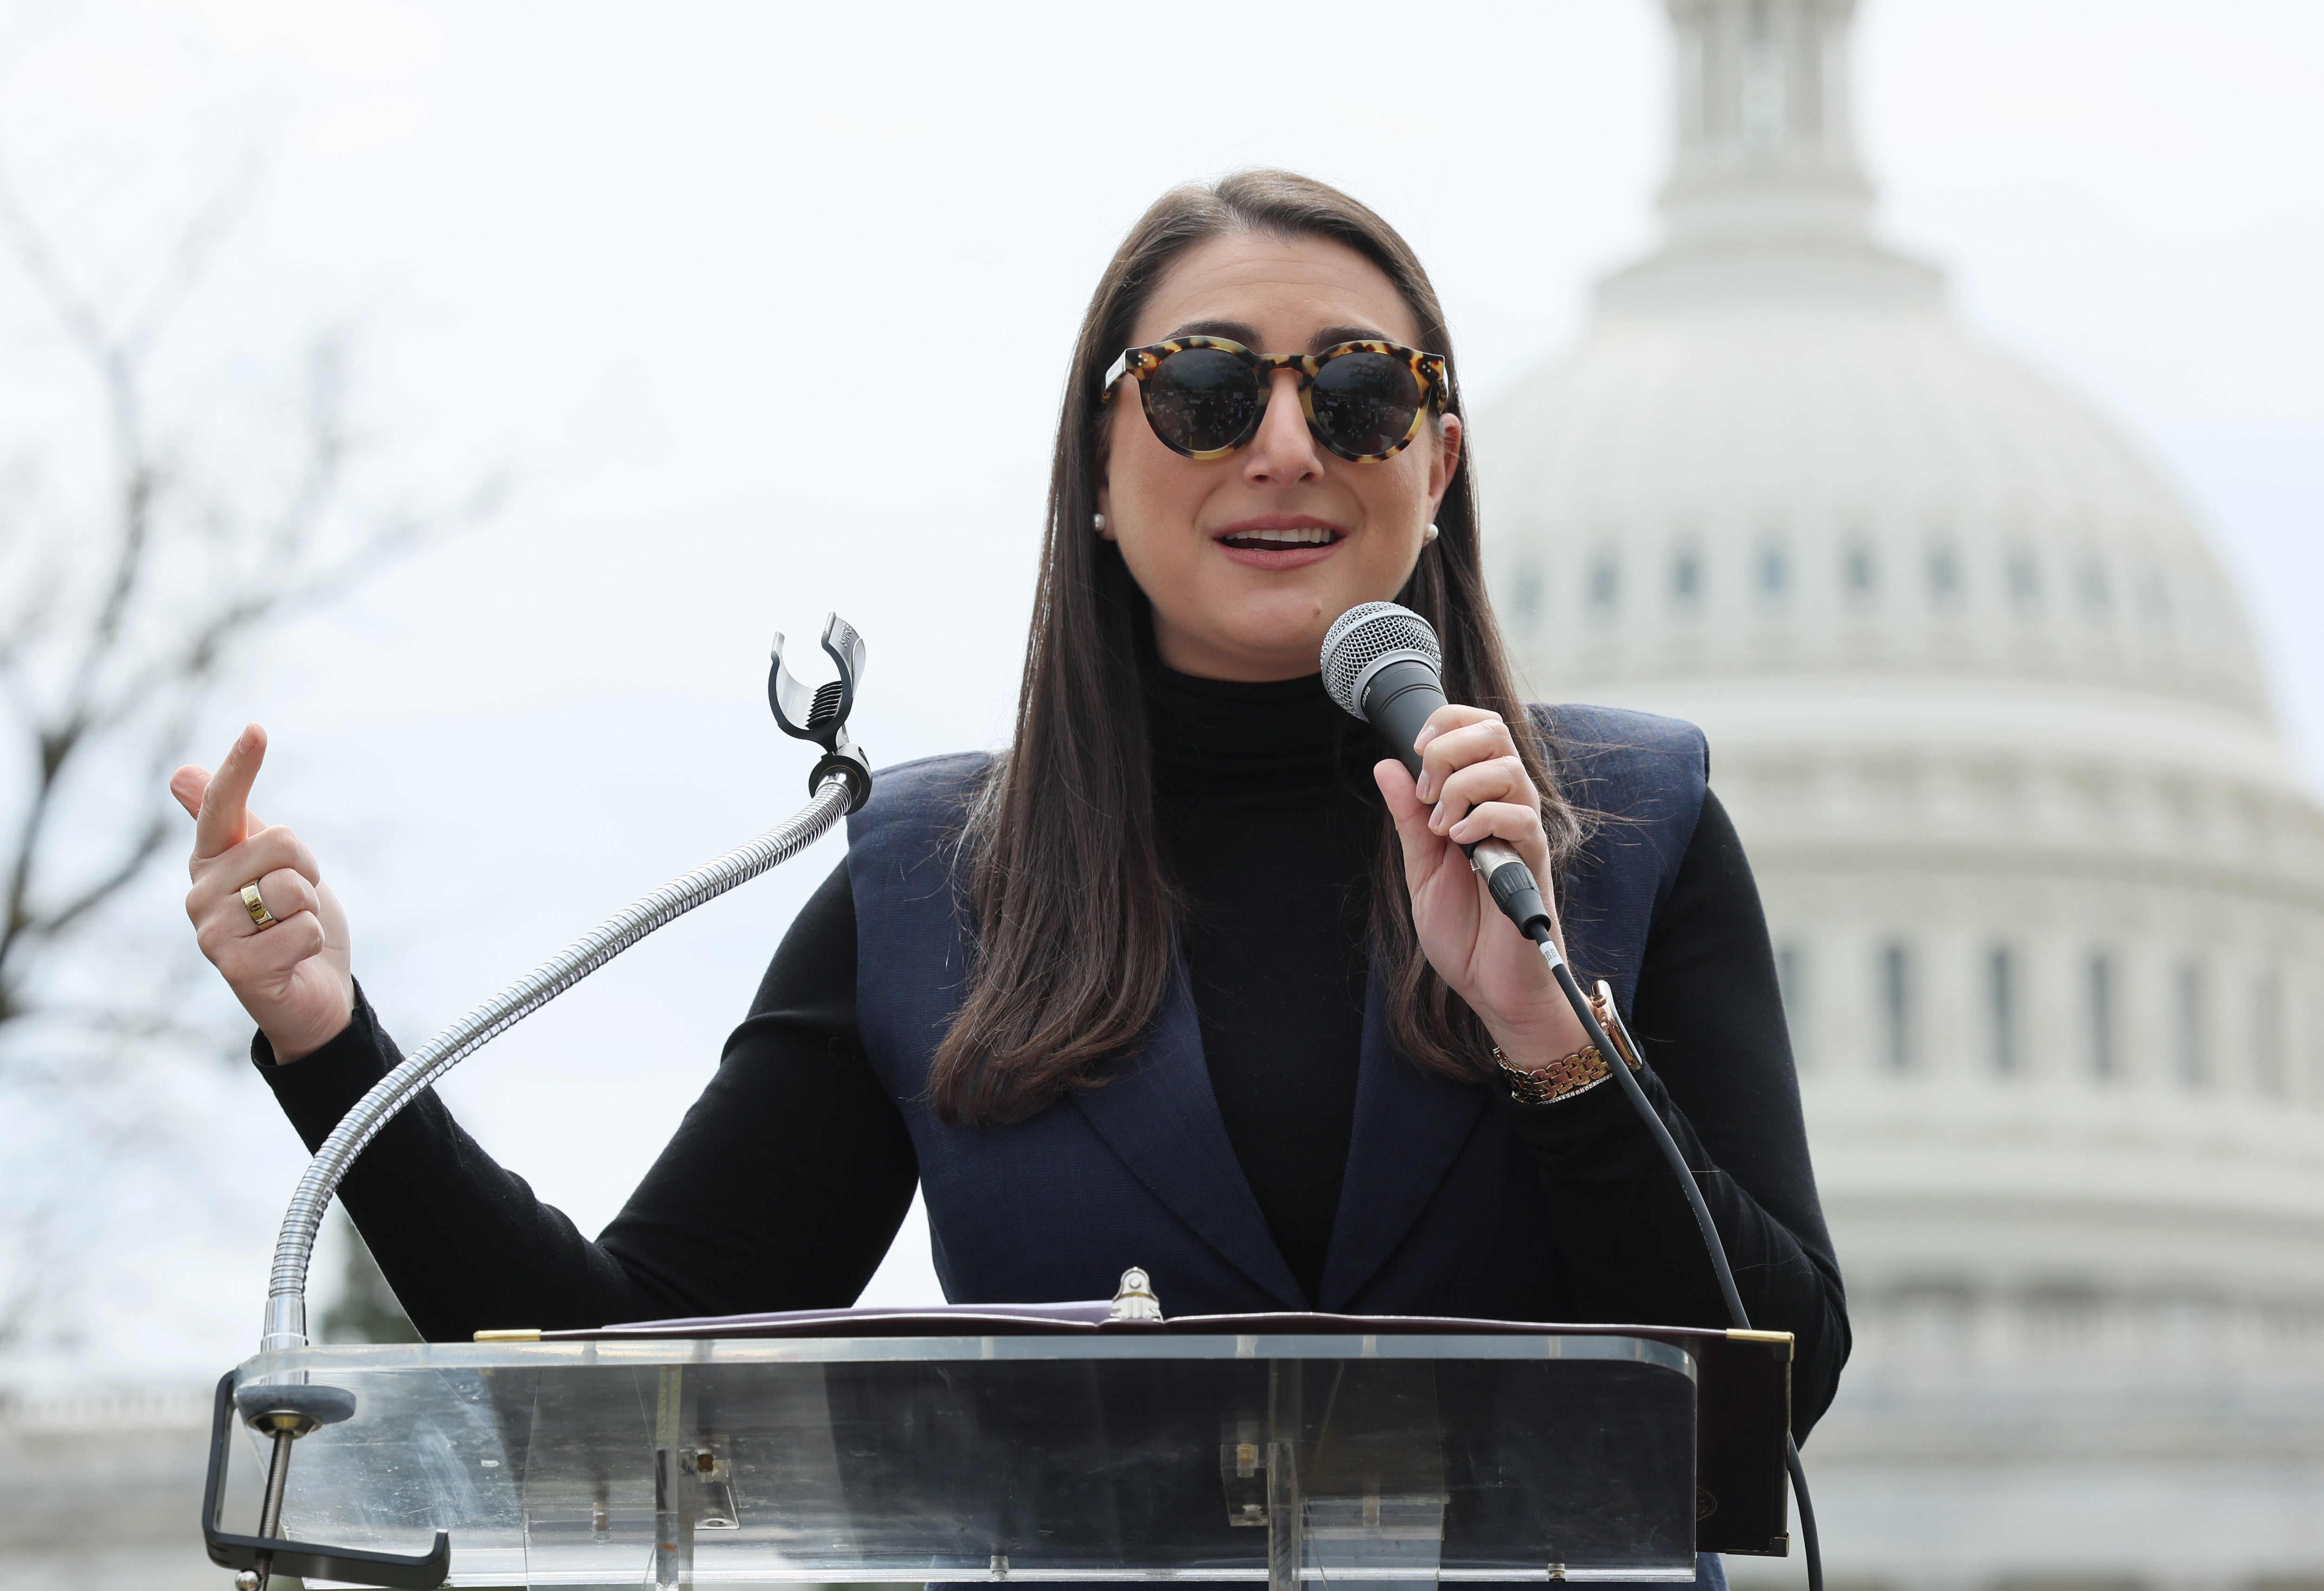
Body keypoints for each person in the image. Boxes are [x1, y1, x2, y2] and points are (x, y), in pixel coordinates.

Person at [177, 171, 1846, 1590]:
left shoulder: (1622, 827)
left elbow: (1776, 1397)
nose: (1286, 446)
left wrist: (1554, 1048)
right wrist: (328, 1037)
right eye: (1205, 390)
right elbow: (608, 1370)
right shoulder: (932, 886)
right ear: (1098, 472)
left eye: (1358, 394)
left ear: (1438, 461)